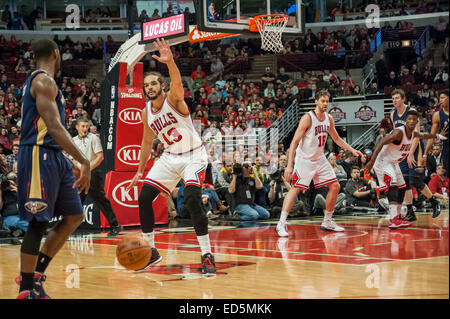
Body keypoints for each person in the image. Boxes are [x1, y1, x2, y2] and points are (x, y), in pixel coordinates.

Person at [126, 38, 216, 276]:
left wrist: (171, 62)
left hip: (193, 155)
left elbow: (177, 81)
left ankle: (207, 254)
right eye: (146, 85)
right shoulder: (146, 112)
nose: (149, 87)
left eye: (154, 83)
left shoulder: (173, 98)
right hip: (170, 156)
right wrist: (139, 171)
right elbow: (146, 142)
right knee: (145, 197)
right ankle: (151, 252)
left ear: (162, 86)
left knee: (193, 200)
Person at [16, 39, 91, 299]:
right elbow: (55, 127)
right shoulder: (43, 81)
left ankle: (34, 275)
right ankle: (26, 289)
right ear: (56, 54)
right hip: (37, 155)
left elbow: (51, 132)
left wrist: (71, 162)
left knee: (73, 216)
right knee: (38, 221)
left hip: (54, 155)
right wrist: (84, 160)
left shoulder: (47, 83)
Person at [275, 90, 363, 236]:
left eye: (327, 101)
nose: (325, 104)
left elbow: (336, 139)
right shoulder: (307, 118)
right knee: (295, 188)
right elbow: (294, 142)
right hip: (305, 160)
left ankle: (327, 221)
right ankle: (281, 223)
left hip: (320, 158)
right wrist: (289, 165)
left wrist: (352, 150)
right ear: (316, 101)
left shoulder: (329, 118)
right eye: (322, 101)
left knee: (335, 186)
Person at [365, 110, 436, 229]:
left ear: (417, 121)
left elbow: (425, 135)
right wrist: (371, 161)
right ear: (406, 120)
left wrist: (437, 135)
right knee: (393, 186)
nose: (412, 121)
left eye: (414, 119)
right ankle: (393, 219)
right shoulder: (399, 132)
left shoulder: (414, 133)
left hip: (393, 162)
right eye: (409, 119)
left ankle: (397, 216)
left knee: (402, 187)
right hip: (383, 161)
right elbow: (382, 141)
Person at [71, 117, 122, 236]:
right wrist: (79, 170)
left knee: (100, 199)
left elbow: (100, 157)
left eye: (86, 126)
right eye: (82, 126)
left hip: (93, 172)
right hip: (80, 173)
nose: (85, 128)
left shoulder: (94, 138)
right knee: (77, 200)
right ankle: (69, 228)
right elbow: (72, 158)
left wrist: (87, 170)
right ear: (77, 127)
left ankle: (115, 225)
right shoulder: (72, 140)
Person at [424, 89, 449, 178]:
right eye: (440, 98)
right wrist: (425, 153)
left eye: (443, 98)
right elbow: (431, 137)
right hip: (447, 147)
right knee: (447, 176)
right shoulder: (437, 115)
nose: (440, 100)